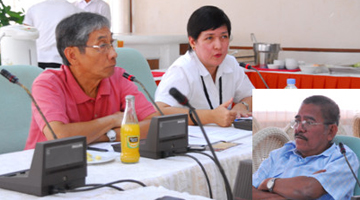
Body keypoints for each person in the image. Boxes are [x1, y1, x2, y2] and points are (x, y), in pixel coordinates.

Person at [25, 12, 157, 150]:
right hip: (49, 165)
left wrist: (107, 135)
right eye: (102, 46)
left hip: (104, 161)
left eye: (111, 43)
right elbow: (58, 135)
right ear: (72, 55)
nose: (113, 54)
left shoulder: (118, 77)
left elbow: (153, 125)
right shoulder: (48, 84)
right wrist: (113, 120)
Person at [154, 6, 254, 127]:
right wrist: (210, 116)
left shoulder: (230, 63)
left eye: (224, 37)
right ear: (192, 42)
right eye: (209, 38)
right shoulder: (181, 69)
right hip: (193, 140)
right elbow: (160, 111)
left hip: (226, 138)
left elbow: (251, 96)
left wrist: (242, 106)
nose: (218, 46)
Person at [252, 95, 359, 200]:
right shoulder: (280, 154)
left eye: (309, 122)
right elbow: (249, 191)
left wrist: (269, 183)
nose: (299, 129)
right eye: (297, 121)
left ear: (331, 131)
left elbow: (308, 190)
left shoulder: (343, 158)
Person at [23, 0, 82, 69]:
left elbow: (25, 34)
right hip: (62, 60)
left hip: (37, 59)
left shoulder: (33, 9)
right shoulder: (77, 11)